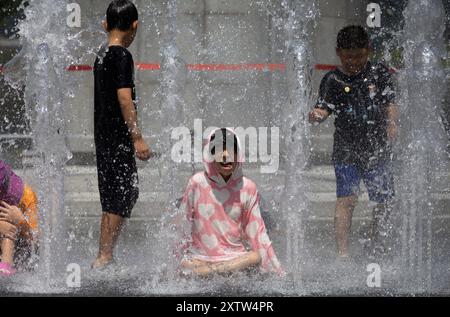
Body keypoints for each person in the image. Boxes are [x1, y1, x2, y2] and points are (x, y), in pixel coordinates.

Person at [308, 25, 399, 260]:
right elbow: (324, 108)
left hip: (377, 148)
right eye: (348, 57)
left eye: (359, 56)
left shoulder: (379, 73)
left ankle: (376, 245)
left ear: (368, 50)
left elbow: (390, 102)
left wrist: (392, 123)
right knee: (346, 200)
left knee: (383, 201)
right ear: (339, 53)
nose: (354, 62)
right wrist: (317, 115)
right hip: (346, 150)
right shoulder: (333, 80)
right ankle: (343, 253)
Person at [92, 0, 151, 269]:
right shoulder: (123, 57)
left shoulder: (101, 54)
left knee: (115, 194)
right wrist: (137, 137)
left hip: (103, 135)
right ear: (134, 26)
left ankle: (105, 254)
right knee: (124, 193)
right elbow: (125, 99)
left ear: (106, 24)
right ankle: (104, 256)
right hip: (118, 138)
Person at [178, 128, 284, 276]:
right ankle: (214, 271)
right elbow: (182, 225)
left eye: (231, 150)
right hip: (201, 258)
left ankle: (210, 272)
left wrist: (276, 270)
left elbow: (258, 232)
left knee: (254, 257)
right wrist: (175, 262)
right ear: (210, 155)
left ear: (238, 154)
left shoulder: (247, 187)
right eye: (219, 150)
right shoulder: (197, 182)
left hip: (234, 258)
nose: (226, 156)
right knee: (184, 263)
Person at [0, 159, 39, 276]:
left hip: (19, 246)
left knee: (10, 230)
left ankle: (6, 267)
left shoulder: (27, 197)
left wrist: (21, 221)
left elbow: (37, 239)